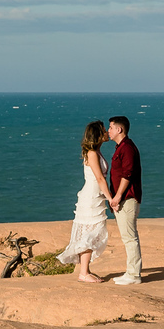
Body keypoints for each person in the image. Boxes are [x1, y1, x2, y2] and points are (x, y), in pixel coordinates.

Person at [56, 120, 115, 283]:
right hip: (90, 199)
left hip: (95, 198)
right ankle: (83, 273)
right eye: (104, 130)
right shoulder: (92, 153)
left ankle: (85, 271)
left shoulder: (96, 151)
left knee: (91, 234)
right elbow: (99, 179)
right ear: (97, 134)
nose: (106, 133)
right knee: (90, 234)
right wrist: (110, 199)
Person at [107, 115, 142, 285]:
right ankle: (131, 272)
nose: (108, 131)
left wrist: (118, 195)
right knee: (128, 236)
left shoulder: (127, 148)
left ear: (119, 129)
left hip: (127, 198)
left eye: (111, 128)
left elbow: (127, 173)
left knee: (129, 237)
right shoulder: (121, 147)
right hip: (123, 198)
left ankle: (134, 275)